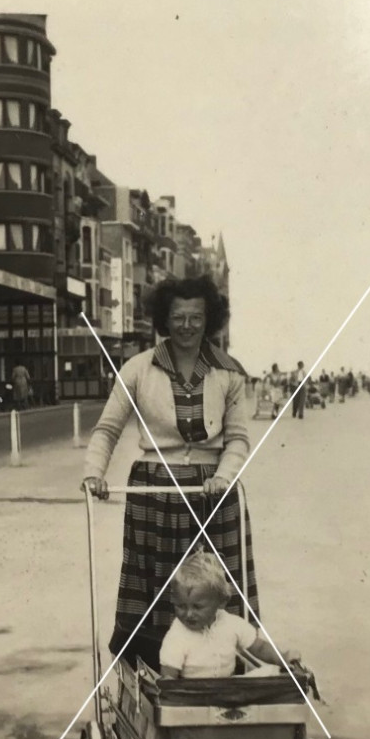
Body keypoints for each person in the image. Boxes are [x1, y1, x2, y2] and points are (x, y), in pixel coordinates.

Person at [82, 275, 259, 670]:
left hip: (213, 492)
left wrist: (223, 476)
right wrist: (94, 473)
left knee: (215, 588)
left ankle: (226, 667)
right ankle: (156, 675)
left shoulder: (228, 372)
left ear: (209, 319)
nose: (187, 325)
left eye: (196, 317)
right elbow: (108, 429)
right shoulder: (138, 369)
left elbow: (239, 439)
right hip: (155, 494)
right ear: (165, 318)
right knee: (157, 593)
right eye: (178, 317)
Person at [160, 553, 301, 680]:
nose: (188, 614)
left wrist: (282, 658)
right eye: (181, 606)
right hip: (195, 697)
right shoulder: (176, 636)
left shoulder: (231, 624)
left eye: (197, 607)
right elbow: (168, 678)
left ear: (221, 602)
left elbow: (259, 647)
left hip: (229, 690)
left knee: (270, 672)